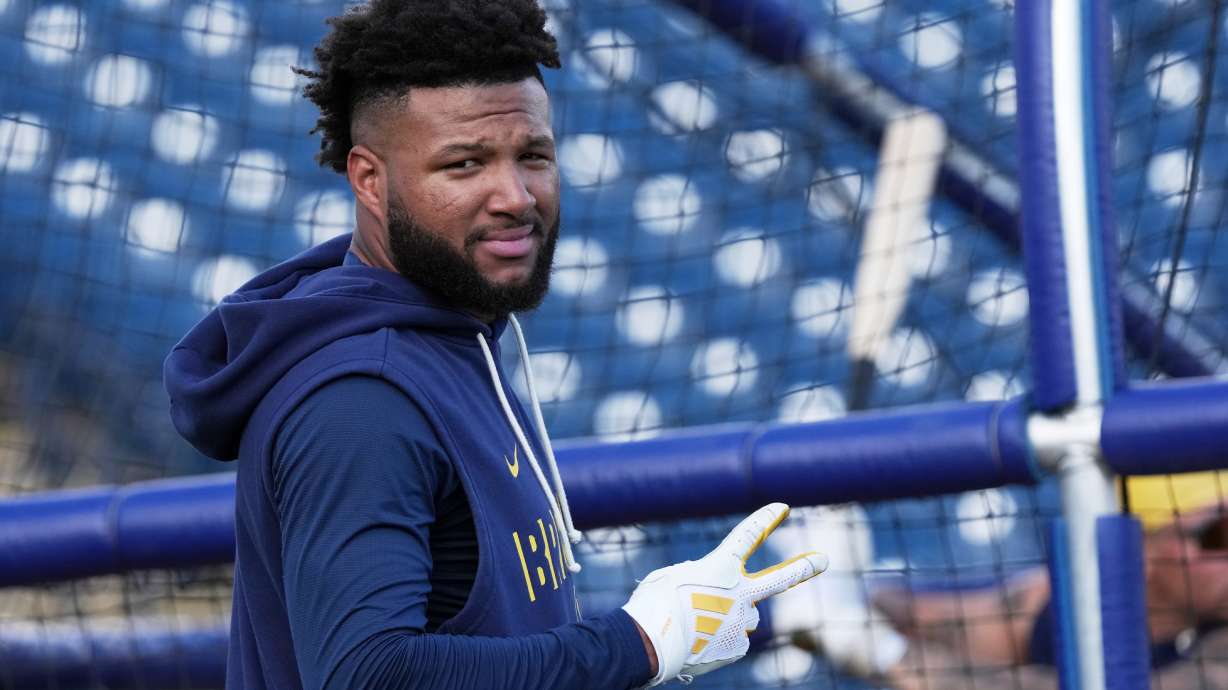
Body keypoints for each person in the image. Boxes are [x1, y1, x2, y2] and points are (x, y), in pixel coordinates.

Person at [162, 2, 826, 689]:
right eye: (465, 163)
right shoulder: (360, 399)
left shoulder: (456, 340)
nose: (514, 195)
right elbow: (370, 675)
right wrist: (639, 644)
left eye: (532, 156)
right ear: (369, 179)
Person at [769, 478, 1228, 690]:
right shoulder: (1055, 602)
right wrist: (846, 585)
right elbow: (929, 619)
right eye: (1218, 535)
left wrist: (879, 652)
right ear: (1139, 551)